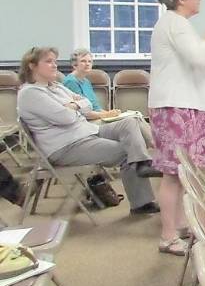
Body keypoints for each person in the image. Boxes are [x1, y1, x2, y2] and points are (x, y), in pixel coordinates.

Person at [16, 47, 160, 216]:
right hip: (65, 146)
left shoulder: (54, 87)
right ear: (32, 66)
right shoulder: (30, 93)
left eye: (55, 61)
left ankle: (142, 163)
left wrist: (73, 106)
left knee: (129, 122)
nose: (55, 65)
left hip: (85, 131)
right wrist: (75, 106)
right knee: (128, 152)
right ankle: (141, 204)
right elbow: (66, 118)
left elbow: (88, 103)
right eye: (48, 61)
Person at [149, 0, 205, 256]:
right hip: (175, 105)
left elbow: (195, 59)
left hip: (184, 103)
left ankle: (179, 224)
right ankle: (168, 236)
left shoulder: (179, 26)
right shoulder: (174, 23)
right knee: (173, 173)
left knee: (182, 173)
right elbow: (197, 58)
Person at [63, 48, 153, 147]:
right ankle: (156, 147)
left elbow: (95, 107)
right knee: (133, 120)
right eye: (83, 61)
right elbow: (83, 112)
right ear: (74, 64)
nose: (87, 64)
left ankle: (153, 147)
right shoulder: (71, 81)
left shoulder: (86, 81)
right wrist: (106, 115)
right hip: (87, 122)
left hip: (97, 116)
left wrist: (109, 113)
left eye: (90, 61)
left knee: (136, 116)